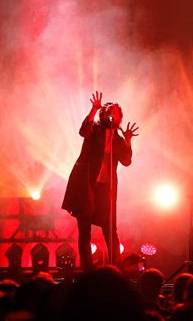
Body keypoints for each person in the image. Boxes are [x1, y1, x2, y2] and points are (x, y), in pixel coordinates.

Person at [62, 91, 139, 271]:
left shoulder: (119, 140)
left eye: (115, 111)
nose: (111, 113)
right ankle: (88, 269)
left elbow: (126, 162)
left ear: (119, 117)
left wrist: (128, 141)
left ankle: (115, 268)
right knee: (84, 228)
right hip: (87, 185)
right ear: (103, 114)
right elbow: (83, 131)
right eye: (108, 110)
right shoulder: (94, 130)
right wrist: (94, 108)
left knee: (110, 228)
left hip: (106, 188)